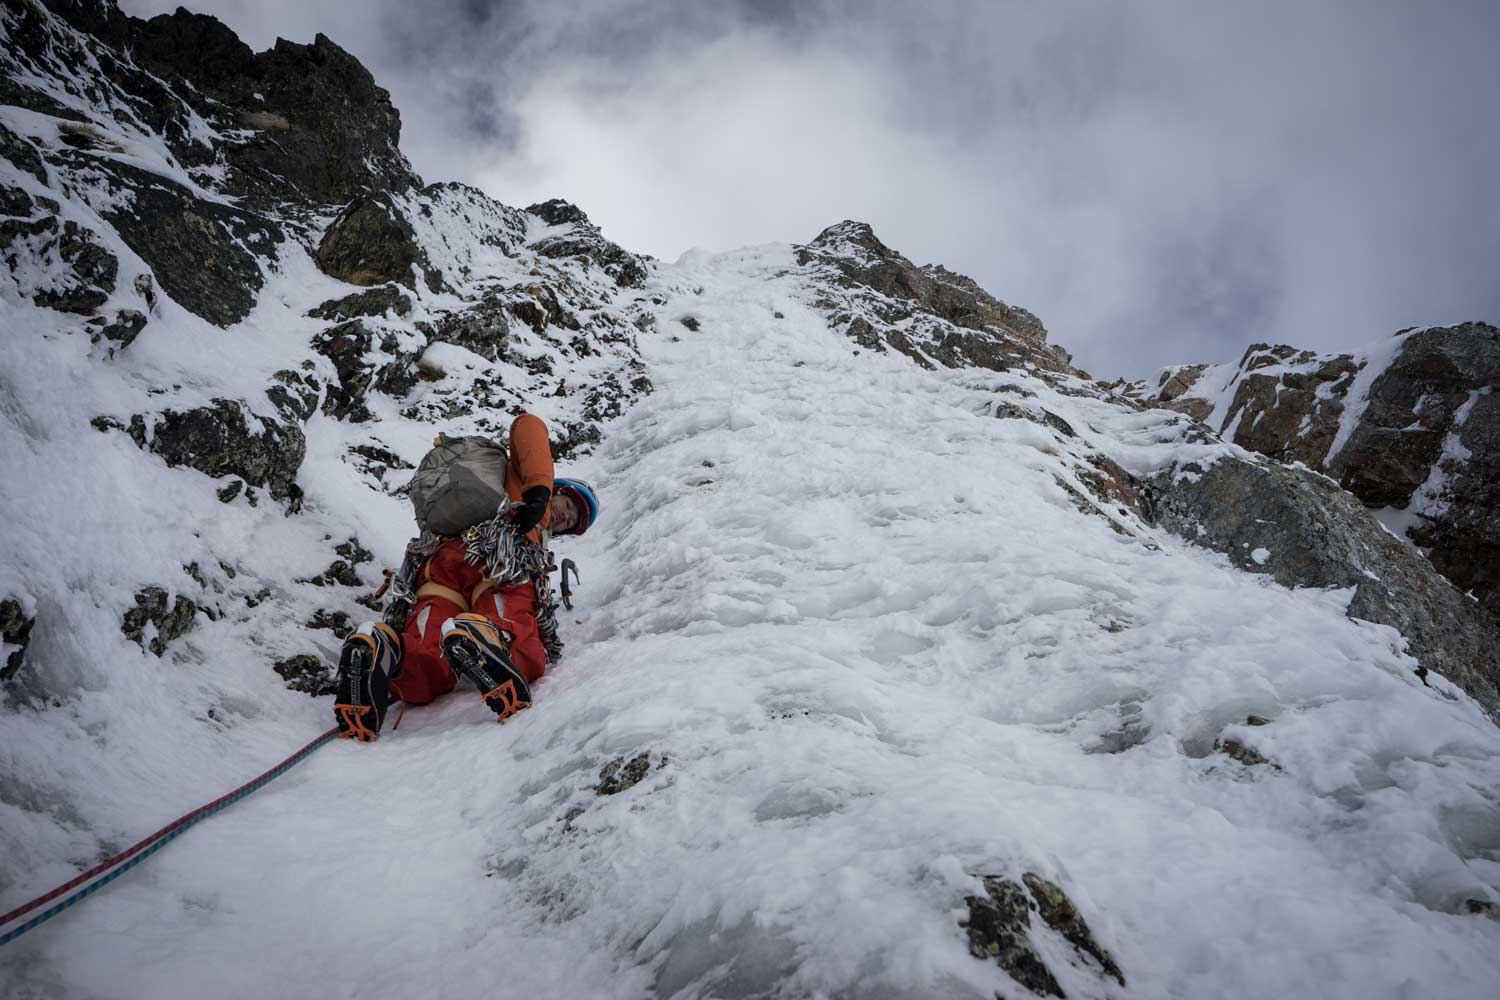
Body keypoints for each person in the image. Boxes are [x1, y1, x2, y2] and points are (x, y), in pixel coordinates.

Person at [332, 413, 599, 742]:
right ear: (557, 489)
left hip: (443, 566)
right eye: (568, 503)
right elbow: (528, 423)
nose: (565, 515)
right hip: (504, 563)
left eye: (571, 520)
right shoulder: (529, 496)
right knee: (525, 651)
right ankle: (488, 635)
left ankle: (383, 649)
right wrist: (539, 492)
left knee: (424, 663)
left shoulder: (492, 499)